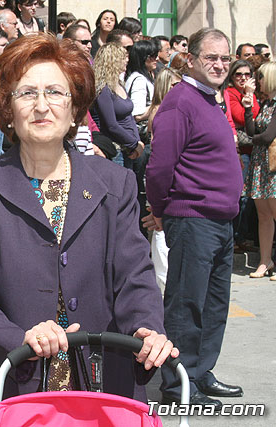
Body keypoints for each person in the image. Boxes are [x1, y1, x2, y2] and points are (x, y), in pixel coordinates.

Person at [0, 34, 178, 420]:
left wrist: (146, 328)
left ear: (74, 107)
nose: (41, 106)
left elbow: (134, 273)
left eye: (55, 92)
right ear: (7, 108)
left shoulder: (114, 183)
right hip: (15, 378)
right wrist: (17, 338)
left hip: (102, 375)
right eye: (26, 94)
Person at [145, 28, 244, 409]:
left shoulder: (209, 100)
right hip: (193, 220)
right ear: (191, 60)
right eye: (211, 57)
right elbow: (159, 168)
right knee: (186, 305)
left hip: (221, 221)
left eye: (224, 58)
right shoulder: (180, 102)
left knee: (214, 304)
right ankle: (178, 383)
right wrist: (162, 211)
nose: (220, 64)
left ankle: (201, 372)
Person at [146, 67, 182, 293]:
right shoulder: (161, 112)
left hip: (166, 178)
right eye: (174, 86)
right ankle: (164, 284)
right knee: (158, 229)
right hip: (160, 178)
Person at [243, 62, 276, 280]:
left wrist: (248, 139)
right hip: (260, 163)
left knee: (273, 213)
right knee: (263, 216)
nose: (258, 81)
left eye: (261, 77)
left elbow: (267, 136)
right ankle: (265, 261)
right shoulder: (265, 103)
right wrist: (248, 108)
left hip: (272, 164)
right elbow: (253, 129)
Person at [225, 59, 260, 258]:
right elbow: (242, 117)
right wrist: (248, 95)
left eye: (247, 74)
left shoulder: (251, 94)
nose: (243, 78)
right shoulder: (231, 94)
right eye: (239, 74)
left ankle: (242, 236)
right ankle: (235, 237)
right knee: (242, 197)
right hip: (241, 152)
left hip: (253, 152)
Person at [90, 43, 144, 164]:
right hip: (117, 149)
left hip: (129, 148)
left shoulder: (119, 84)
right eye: (123, 57)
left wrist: (136, 142)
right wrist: (134, 143)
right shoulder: (104, 89)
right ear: (112, 60)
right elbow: (111, 125)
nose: (127, 60)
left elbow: (129, 117)